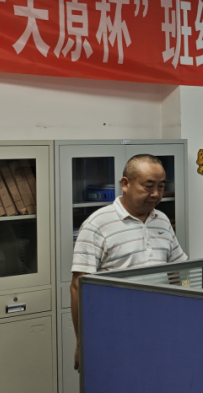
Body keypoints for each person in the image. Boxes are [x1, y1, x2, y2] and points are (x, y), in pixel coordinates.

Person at [70, 154, 187, 370]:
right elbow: (78, 286)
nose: (156, 194)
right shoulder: (97, 225)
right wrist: (81, 341)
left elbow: (178, 272)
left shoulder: (162, 220)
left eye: (161, 186)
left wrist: (186, 310)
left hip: (160, 327)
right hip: (116, 330)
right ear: (125, 184)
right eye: (148, 186)